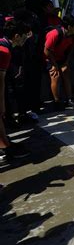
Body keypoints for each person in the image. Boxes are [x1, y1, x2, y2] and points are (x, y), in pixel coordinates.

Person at [0, 19, 31, 162]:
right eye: (25, 35)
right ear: (17, 36)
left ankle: (4, 145)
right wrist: (2, 104)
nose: (27, 38)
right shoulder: (5, 51)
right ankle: (4, 150)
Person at [43, 15, 74, 110]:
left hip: (62, 57)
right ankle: (57, 102)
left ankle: (70, 100)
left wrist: (66, 62)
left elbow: (71, 50)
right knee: (55, 75)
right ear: (69, 27)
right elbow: (46, 51)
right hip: (49, 58)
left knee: (66, 71)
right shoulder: (54, 34)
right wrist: (54, 65)